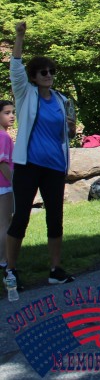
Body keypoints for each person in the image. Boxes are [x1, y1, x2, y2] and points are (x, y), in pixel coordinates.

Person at [6, 21, 76, 292]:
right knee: (21, 217)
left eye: (51, 72)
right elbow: (15, 68)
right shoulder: (26, 95)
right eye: (43, 72)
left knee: (55, 217)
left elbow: (64, 134)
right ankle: (10, 271)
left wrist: (69, 130)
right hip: (29, 166)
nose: (48, 75)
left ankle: (55, 270)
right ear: (33, 77)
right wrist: (19, 36)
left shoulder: (60, 100)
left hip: (54, 167)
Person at [0, 100, 13, 280]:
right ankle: (3, 260)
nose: (11, 116)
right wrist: (14, 182)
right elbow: (2, 163)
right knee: (5, 223)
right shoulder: (3, 137)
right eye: (7, 113)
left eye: (13, 112)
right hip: (4, 186)